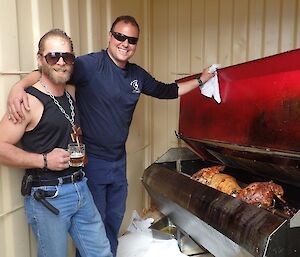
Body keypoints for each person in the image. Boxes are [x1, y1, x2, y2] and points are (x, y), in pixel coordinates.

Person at [7, 16, 215, 257]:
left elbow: (167, 90)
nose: (125, 43)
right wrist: (18, 87)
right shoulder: (90, 65)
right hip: (90, 163)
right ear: (110, 36)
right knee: (93, 227)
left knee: (112, 222)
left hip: (118, 161)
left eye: (131, 39)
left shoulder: (137, 75)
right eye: (120, 36)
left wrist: (201, 80)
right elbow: (49, 70)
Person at [0, 29, 112, 257]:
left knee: (101, 253)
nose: (61, 62)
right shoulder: (28, 101)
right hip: (48, 195)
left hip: (81, 187)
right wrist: (43, 160)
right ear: (40, 59)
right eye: (53, 56)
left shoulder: (69, 92)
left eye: (67, 56)